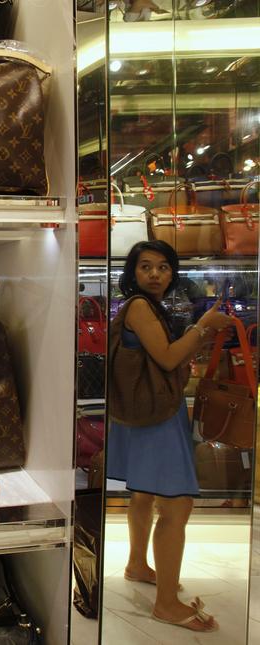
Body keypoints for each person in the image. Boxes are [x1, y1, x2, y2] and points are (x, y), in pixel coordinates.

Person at [106, 240, 233, 633]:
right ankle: (165, 604)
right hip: (156, 417)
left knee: (144, 493)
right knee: (177, 505)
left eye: (163, 267)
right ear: (133, 272)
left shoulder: (146, 306)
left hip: (151, 412)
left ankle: (137, 564)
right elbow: (167, 357)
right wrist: (203, 326)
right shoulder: (140, 306)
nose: (155, 274)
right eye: (146, 266)